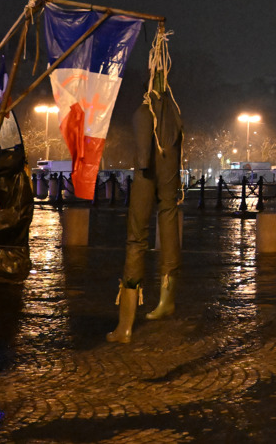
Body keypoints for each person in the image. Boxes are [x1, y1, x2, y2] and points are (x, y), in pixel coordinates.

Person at [108, 32, 185, 344]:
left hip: (146, 178)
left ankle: (125, 325)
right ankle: (167, 297)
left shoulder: (144, 112)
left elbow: (143, 158)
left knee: (136, 239)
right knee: (168, 222)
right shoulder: (174, 114)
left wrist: (144, 164)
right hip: (169, 179)